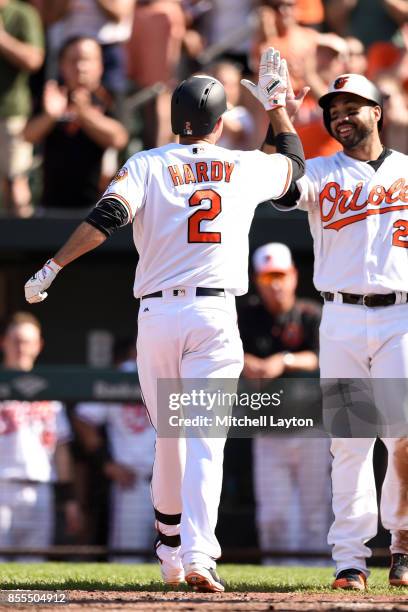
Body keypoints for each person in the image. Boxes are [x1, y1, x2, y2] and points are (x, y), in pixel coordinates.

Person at [23, 47, 307, 591]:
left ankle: (172, 548)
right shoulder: (246, 164)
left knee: (170, 438)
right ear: (220, 123)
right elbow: (293, 166)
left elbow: (106, 218)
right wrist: (277, 107)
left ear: (177, 119)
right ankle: (198, 556)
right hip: (215, 314)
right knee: (205, 440)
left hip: (157, 313)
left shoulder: (147, 163)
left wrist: (53, 266)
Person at [260, 72, 408, 589]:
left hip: (400, 317)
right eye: (332, 109)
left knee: (403, 436)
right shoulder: (321, 171)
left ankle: (403, 544)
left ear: (378, 111)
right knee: (349, 442)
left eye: (351, 106)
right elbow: (276, 181)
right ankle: (350, 557)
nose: (340, 115)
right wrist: (278, 113)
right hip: (341, 318)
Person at [239, 242, 330, 562]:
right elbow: (224, 347)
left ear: (293, 275)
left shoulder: (310, 314)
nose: (274, 284)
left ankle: (319, 575)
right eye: (266, 277)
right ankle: (275, 577)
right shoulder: (248, 315)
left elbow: (323, 357)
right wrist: (247, 361)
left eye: (279, 275)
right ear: (256, 280)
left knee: (315, 512)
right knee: (273, 515)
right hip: (269, 426)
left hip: (312, 427)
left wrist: (284, 360)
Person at [0, 312, 81, 560]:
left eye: (27, 341)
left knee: (33, 566)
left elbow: (61, 448)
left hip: (41, 488)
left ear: (38, 345)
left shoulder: (50, 390)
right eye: (15, 340)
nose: (21, 347)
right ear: (3, 342)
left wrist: (69, 498)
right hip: (2, 485)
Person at [24, 35, 128, 214]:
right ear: (62, 65)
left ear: (100, 65)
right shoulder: (52, 96)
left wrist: (84, 113)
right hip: (51, 207)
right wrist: (50, 116)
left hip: (99, 209)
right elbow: (28, 135)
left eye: (87, 60)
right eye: (73, 61)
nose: (81, 67)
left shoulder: (109, 98)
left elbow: (118, 138)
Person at [73, 342, 156, 562]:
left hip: (174, 482)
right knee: (129, 561)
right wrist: (107, 463)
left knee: (175, 564)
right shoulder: (126, 374)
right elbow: (83, 418)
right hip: (133, 481)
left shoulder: (178, 371)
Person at [0, 0, 44, 217]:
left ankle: (22, 245)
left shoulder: (22, 13)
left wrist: (3, 39)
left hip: (11, 113)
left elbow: (34, 59)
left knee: (15, 181)